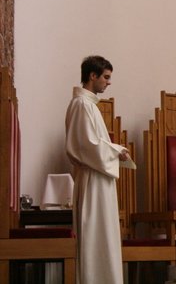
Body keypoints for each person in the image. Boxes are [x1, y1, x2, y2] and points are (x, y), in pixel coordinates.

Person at [65, 55, 131, 284]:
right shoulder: (82, 105)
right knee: (96, 238)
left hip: (99, 179)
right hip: (93, 180)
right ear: (92, 75)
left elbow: (92, 144)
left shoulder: (89, 105)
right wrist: (117, 151)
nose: (108, 82)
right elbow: (86, 145)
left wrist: (114, 151)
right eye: (106, 77)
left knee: (104, 237)